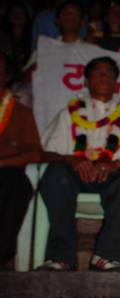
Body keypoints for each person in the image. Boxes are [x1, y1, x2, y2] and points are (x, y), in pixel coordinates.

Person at [37, 57, 120, 271]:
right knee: (55, 173)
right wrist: (72, 159)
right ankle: (62, 257)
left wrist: (116, 164)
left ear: (115, 81)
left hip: (112, 176)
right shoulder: (68, 114)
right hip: (74, 174)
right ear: (87, 81)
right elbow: (44, 154)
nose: (103, 77)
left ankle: (105, 257)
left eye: (109, 73)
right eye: (97, 73)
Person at [0, 52, 42, 271]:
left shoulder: (21, 113)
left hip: (5, 172)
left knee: (17, 184)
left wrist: (4, 163)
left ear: (6, 76)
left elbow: (35, 153)